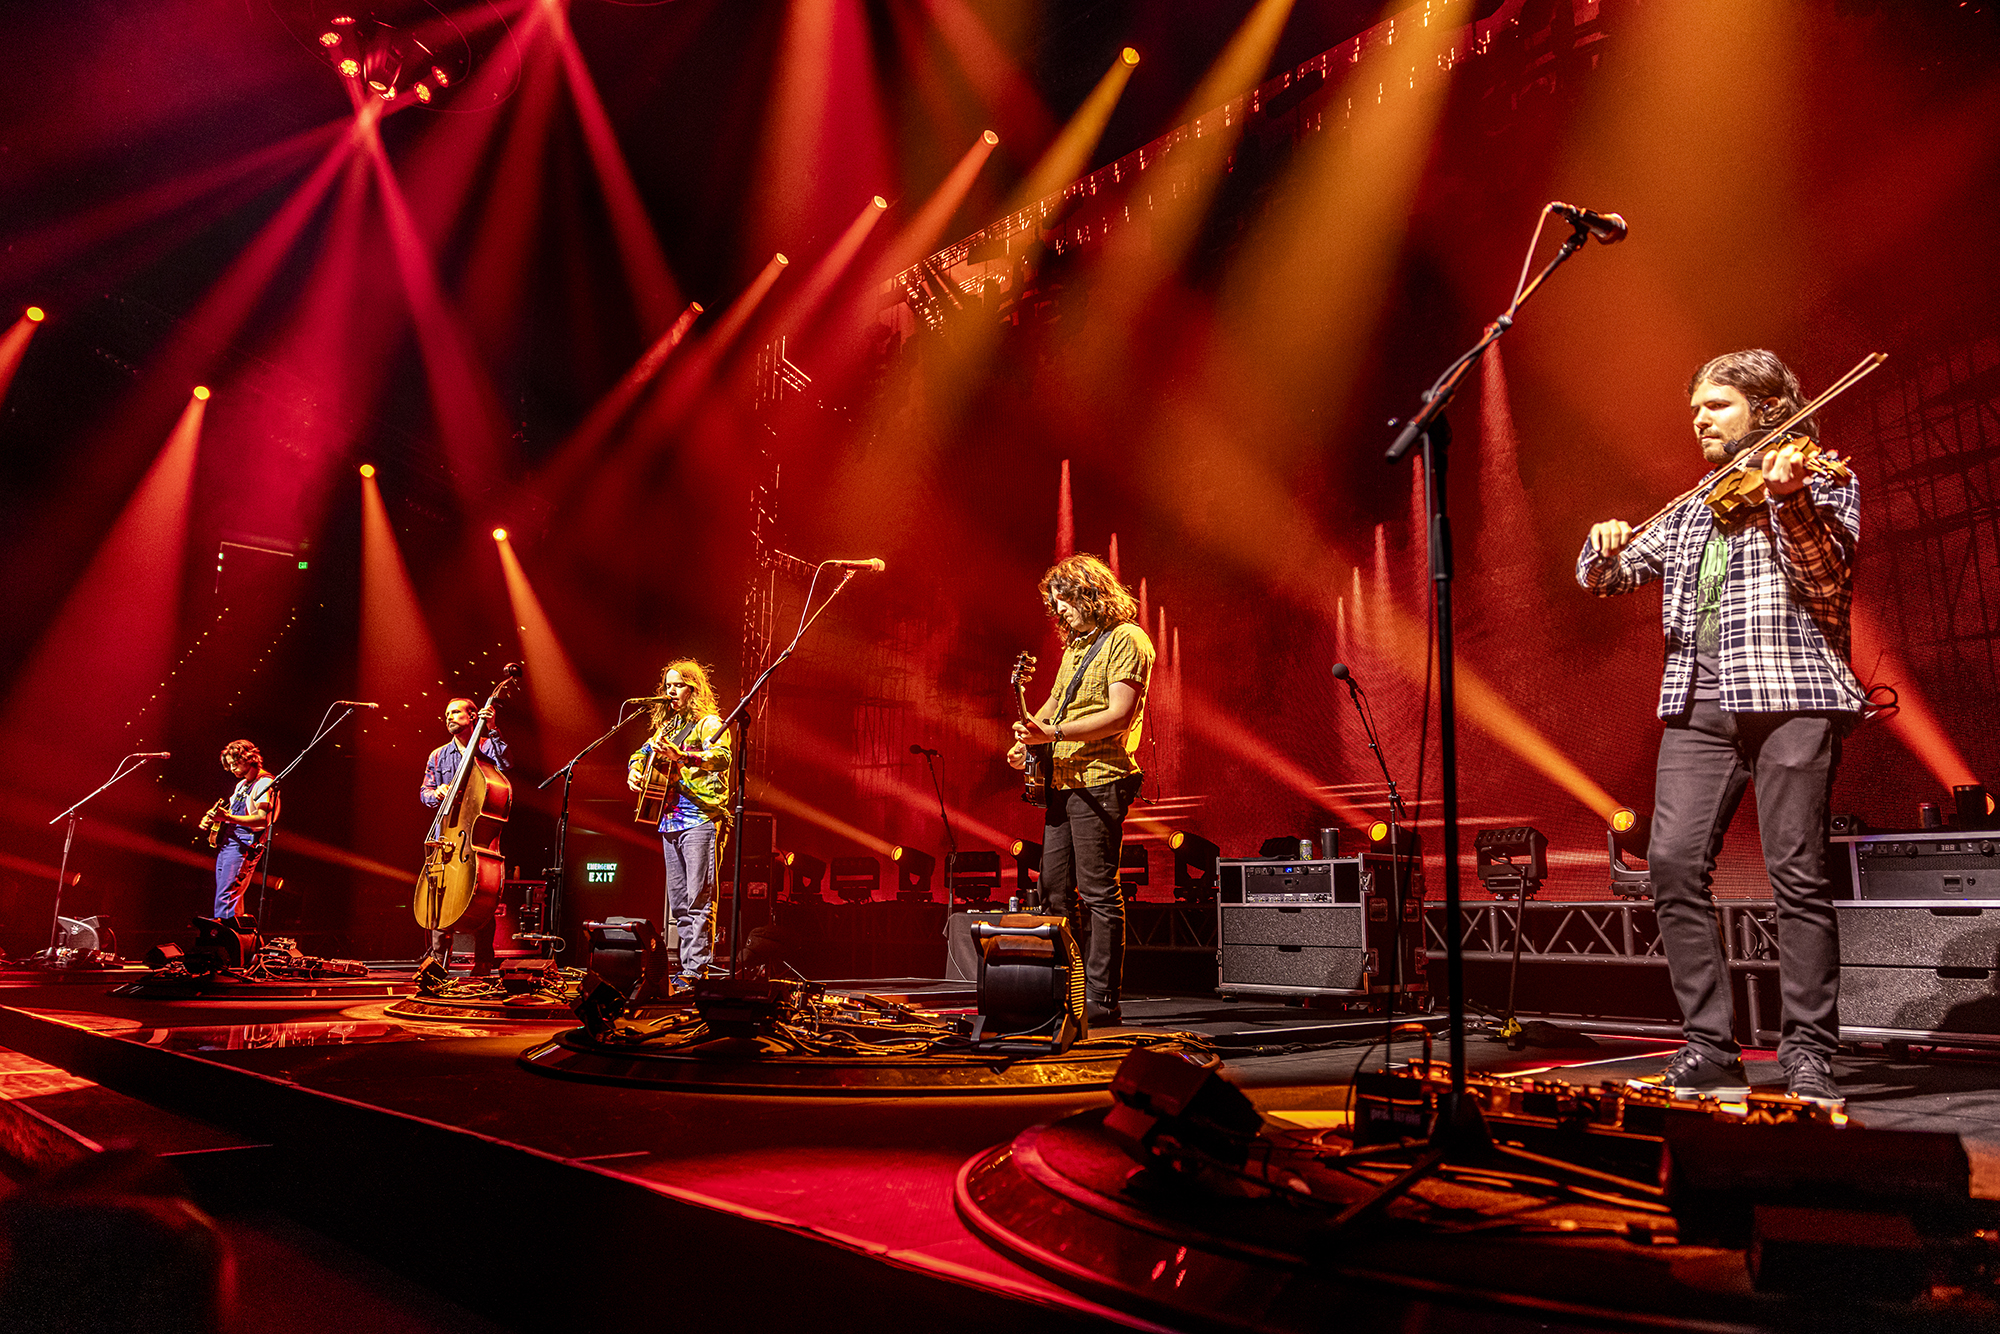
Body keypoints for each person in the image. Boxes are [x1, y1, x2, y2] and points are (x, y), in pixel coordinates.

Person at [1578, 349, 1862, 1106]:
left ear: (1767, 410)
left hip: (1790, 693)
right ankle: (1709, 1045)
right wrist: (1602, 540)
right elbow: (1604, 577)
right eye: (1696, 406)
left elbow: (1827, 582)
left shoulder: (1825, 478)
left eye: (1717, 405)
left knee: (1796, 875)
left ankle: (1806, 1051)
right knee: (1670, 865)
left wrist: (1790, 502)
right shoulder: (1697, 502)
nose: (1699, 418)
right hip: (1698, 703)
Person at [1007, 554, 1156, 1027]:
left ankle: (1102, 1001)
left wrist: (1050, 735)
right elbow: (1052, 707)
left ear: (1090, 592)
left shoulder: (1128, 640)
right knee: (1052, 894)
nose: (1059, 611)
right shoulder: (1075, 648)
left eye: (1064, 599)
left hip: (1102, 780)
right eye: (1055, 604)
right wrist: (1024, 741)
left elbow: (1119, 716)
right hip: (1062, 782)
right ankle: (1060, 993)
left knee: (1097, 892)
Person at [626, 660, 732, 986]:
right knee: (679, 903)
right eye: (668, 686)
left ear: (693, 688)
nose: (671, 691)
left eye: (678, 685)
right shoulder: (669, 727)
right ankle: (686, 968)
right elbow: (640, 754)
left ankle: (695, 971)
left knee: (700, 900)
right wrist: (634, 768)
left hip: (701, 818)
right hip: (669, 820)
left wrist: (683, 757)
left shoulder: (708, 722)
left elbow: (722, 757)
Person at [420, 696, 507, 974]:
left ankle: (482, 962)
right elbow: (424, 792)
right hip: (445, 835)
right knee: (438, 896)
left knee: (481, 895)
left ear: (472, 716)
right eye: (447, 713)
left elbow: (505, 763)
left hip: (474, 838)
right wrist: (436, 793)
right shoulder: (437, 755)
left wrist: (492, 728)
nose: (449, 717)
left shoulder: (485, 748)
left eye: (456, 712)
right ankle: (435, 962)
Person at [209, 740, 277, 920]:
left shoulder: (264, 783)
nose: (232, 769)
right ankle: (233, 937)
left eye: (234, 763)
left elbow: (263, 819)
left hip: (244, 845)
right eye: (229, 765)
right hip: (229, 844)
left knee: (226, 896)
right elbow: (232, 813)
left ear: (248, 758)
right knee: (227, 895)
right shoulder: (241, 785)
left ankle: (222, 940)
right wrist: (216, 817)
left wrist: (227, 817)